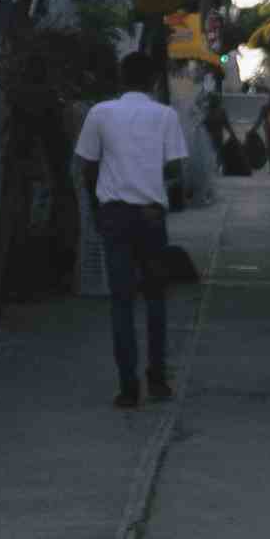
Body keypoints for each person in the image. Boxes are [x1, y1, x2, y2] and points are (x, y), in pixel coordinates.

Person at [72, 55, 195, 408]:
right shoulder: (165, 116)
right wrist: (151, 181)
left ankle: (128, 386)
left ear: (120, 79)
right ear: (154, 81)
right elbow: (175, 167)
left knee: (121, 301)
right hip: (151, 215)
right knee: (156, 298)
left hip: (114, 214)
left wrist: (100, 207)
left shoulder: (100, 113)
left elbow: (87, 165)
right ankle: (157, 379)